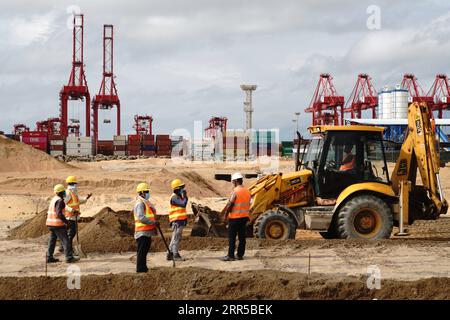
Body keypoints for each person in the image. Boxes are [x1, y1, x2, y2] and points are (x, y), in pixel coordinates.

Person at [221, 172, 251, 262]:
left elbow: (230, 204)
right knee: (242, 238)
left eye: (233, 182)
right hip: (244, 217)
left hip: (234, 218)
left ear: (235, 181)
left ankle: (230, 256)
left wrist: (225, 216)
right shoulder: (247, 191)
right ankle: (240, 255)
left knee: (232, 238)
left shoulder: (235, 191)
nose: (232, 184)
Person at [59, 176, 92, 254]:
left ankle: (63, 247)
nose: (76, 185)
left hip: (73, 216)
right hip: (69, 216)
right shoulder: (68, 193)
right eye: (74, 183)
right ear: (72, 184)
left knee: (68, 233)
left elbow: (78, 202)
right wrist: (72, 210)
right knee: (71, 233)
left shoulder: (74, 193)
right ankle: (68, 249)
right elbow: (63, 204)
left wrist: (86, 198)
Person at [46, 184, 78, 263]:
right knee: (65, 240)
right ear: (61, 192)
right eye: (63, 191)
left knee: (52, 241)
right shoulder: (60, 201)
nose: (65, 193)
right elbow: (59, 214)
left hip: (50, 223)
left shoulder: (54, 199)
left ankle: (49, 257)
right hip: (57, 224)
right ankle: (69, 257)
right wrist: (66, 222)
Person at [133, 182, 159, 273]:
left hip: (146, 232)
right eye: (147, 191)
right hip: (141, 232)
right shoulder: (140, 203)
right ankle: (140, 269)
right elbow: (141, 217)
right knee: (142, 252)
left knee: (144, 251)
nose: (148, 193)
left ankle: (143, 268)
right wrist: (153, 222)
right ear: (142, 193)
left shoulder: (145, 203)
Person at [167, 179, 188, 261]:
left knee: (175, 237)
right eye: (182, 187)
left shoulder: (178, 197)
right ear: (177, 188)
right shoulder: (174, 197)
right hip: (176, 221)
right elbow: (183, 204)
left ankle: (169, 253)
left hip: (180, 221)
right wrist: (185, 196)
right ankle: (175, 254)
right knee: (176, 237)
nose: (183, 189)